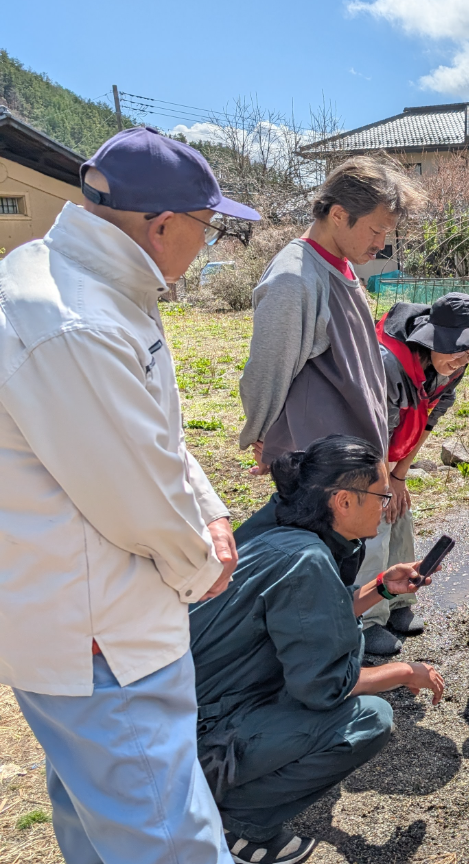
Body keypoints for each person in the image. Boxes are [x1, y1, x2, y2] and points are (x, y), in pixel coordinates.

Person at [0, 127, 258, 863]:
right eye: (209, 231)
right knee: (168, 838)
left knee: (98, 823)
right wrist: (202, 564)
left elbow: (152, 435)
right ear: (163, 225)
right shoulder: (75, 323)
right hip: (103, 634)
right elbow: (137, 495)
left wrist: (209, 508)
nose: (208, 247)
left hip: (71, 613)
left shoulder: (75, 279)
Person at [191, 435, 445, 864]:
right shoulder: (307, 560)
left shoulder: (280, 526)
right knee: (369, 718)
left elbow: (307, 616)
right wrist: (404, 672)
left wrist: (381, 587)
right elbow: (325, 688)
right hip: (205, 733)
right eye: (382, 496)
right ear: (343, 501)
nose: (386, 507)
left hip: (183, 704)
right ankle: (239, 823)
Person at [238, 155, 423, 470]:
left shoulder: (342, 261)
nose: (382, 243)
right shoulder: (294, 278)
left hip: (354, 459)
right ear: (338, 214)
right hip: (322, 470)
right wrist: (266, 439)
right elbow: (268, 371)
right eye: (375, 230)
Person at [357, 292, 469, 654]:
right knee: (372, 528)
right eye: (456, 350)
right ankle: (367, 620)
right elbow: (374, 433)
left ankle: (399, 603)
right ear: (432, 339)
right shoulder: (387, 363)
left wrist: (400, 477)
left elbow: (428, 420)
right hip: (360, 449)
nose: (461, 361)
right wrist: (382, 485)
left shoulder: (455, 363)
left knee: (401, 516)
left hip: (392, 452)